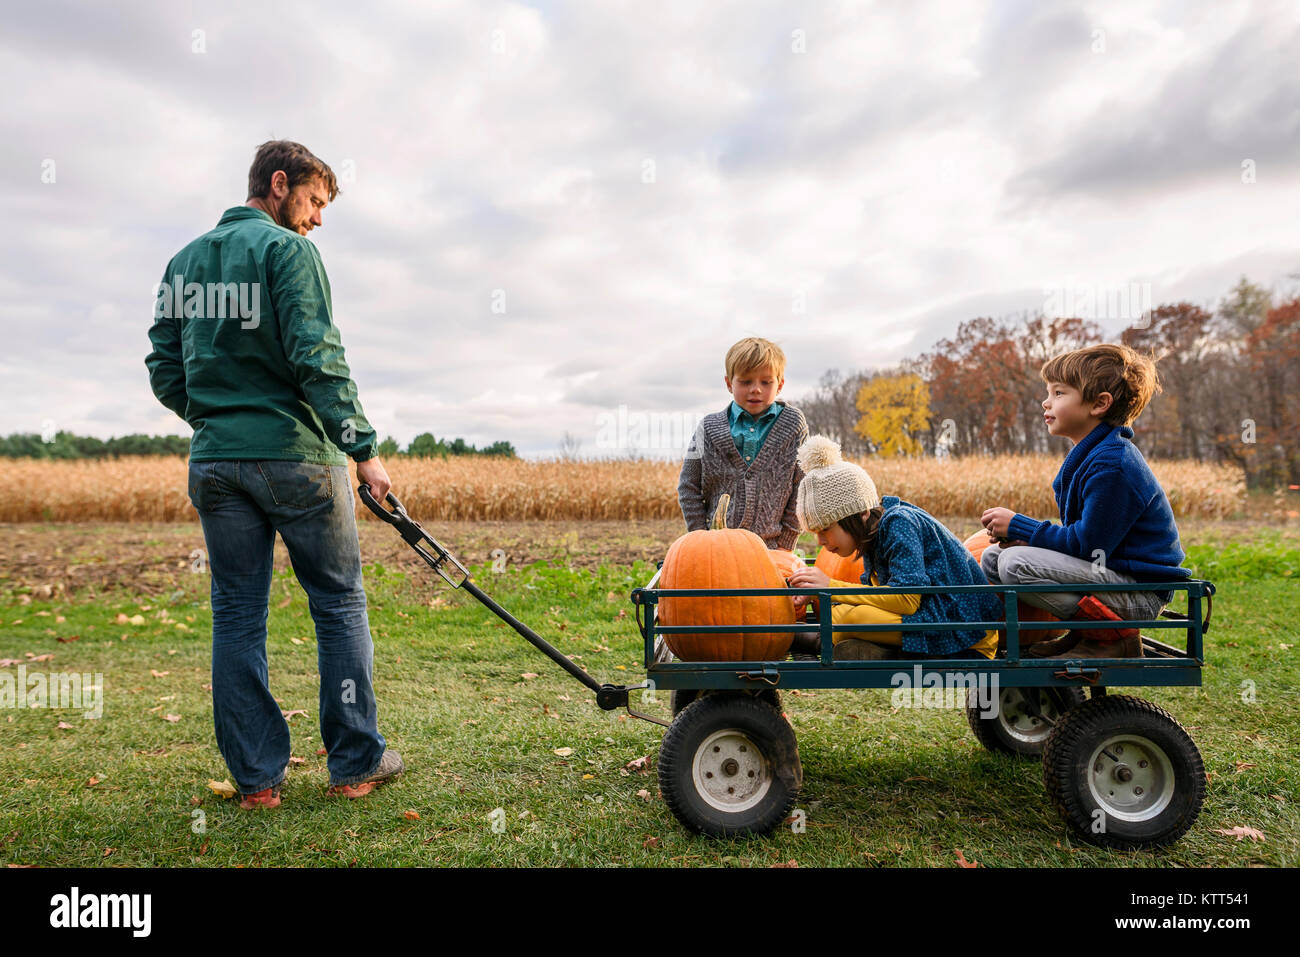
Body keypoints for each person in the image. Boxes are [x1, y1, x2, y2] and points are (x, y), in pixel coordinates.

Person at [145, 140, 403, 807]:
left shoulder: (183, 262)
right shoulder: (289, 253)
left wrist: (214, 419)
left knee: (235, 611)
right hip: (297, 458)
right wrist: (364, 450)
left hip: (216, 462)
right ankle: (354, 764)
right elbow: (319, 358)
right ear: (280, 183)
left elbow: (164, 367)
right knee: (338, 601)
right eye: (315, 200)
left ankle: (257, 780)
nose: (318, 218)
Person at [979, 343, 1190, 659]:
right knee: (995, 558)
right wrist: (1022, 536)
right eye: (1048, 392)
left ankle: (1111, 639)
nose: (1045, 402)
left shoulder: (1113, 464)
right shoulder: (1093, 455)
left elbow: (1088, 546)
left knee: (1016, 563)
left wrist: (1020, 525)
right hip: (1113, 578)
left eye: (1059, 393)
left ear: (1099, 404)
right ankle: (1027, 640)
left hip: (1137, 592)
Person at [785, 437, 1001, 660]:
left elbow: (907, 600)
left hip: (965, 631)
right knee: (841, 614)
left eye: (826, 529)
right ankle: (872, 648)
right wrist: (820, 594)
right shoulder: (872, 535)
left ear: (861, 515)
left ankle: (832, 642)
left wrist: (831, 587)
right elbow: (884, 601)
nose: (820, 541)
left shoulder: (899, 523)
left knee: (850, 618)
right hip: (931, 619)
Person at [677, 338, 808, 552]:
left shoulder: (793, 424)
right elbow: (688, 487)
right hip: (716, 548)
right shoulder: (708, 428)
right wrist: (700, 537)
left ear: (780, 384)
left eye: (766, 382)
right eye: (746, 382)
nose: (756, 389)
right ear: (729, 383)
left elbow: (801, 486)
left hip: (772, 549)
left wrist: (786, 544)